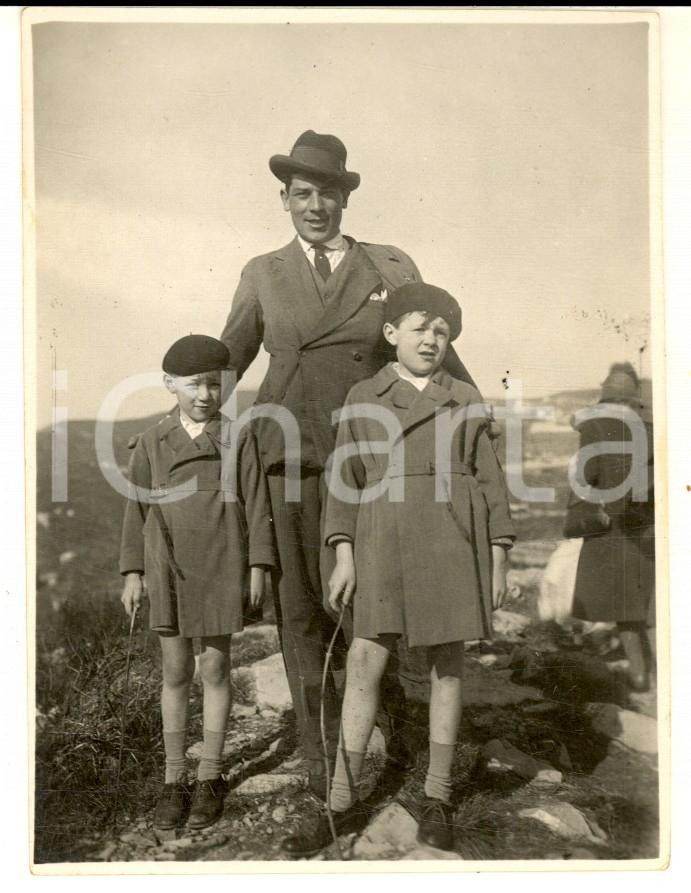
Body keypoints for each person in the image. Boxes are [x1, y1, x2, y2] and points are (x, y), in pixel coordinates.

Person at [219, 130, 477, 798]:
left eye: (327, 192)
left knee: (374, 608)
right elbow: (228, 358)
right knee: (300, 612)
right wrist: (189, 431)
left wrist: (472, 414)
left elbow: (433, 346)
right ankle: (317, 753)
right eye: (301, 193)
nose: (315, 205)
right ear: (284, 199)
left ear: (343, 197)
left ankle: (384, 738)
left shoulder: (387, 266)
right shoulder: (262, 272)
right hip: (290, 459)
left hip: (371, 463)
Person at [281, 283, 515, 856]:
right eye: (419, 328)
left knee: (447, 665)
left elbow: (490, 483)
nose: (432, 339)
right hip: (380, 538)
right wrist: (343, 552)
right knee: (365, 657)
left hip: (452, 541)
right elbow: (344, 480)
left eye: (442, 331)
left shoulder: (464, 397)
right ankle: (341, 799)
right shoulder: (364, 395)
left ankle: (437, 797)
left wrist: (500, 554)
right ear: (390, 335)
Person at [119, 335, 276, 830]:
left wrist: (258, 566)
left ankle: (209, 775)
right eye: (194, 384)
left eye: (215, 383)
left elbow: (257, 503)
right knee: (174, 672)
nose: (205, 394)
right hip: (168, 567)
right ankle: (173, 779)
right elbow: (135, 509)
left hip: (222, 562)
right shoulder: (150, 441)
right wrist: (132, 572)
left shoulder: (238, 437)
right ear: (170, 384)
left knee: (214, 669)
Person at [566, 363, 656, 692]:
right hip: (650, 528)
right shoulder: (651, 427)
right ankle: (649, 675)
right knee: (645, 607)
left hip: (618, 530)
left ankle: (641, 676)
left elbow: (584, 479)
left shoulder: (596, 427)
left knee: (627, 610)